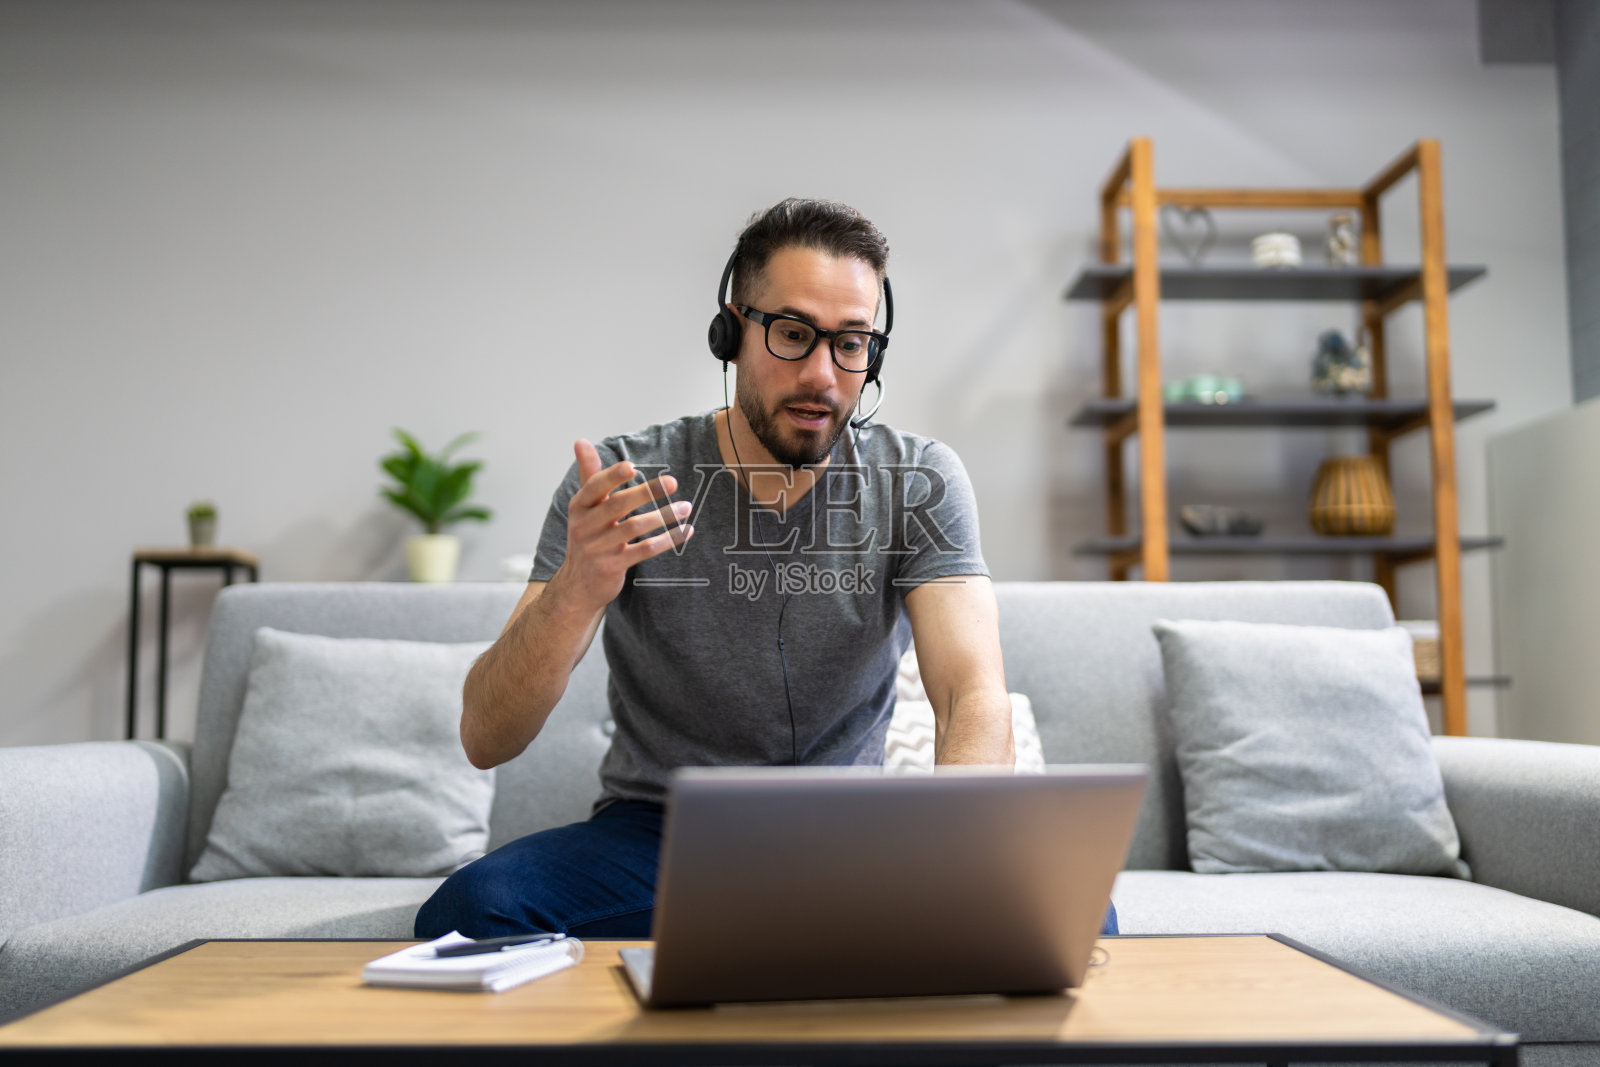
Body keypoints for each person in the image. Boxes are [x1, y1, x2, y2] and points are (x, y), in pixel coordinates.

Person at [415, 197, 1117, 939]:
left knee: (1070, 905)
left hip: (858, 833)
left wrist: (961, 847)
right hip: (661, 835)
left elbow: (970, 692)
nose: (822, 375)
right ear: (732, 333)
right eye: (792, 333)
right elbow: (486, 737)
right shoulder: (625, 480)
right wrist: (575, 591)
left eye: (851, 343)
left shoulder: (918, 480)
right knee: (472, 910)